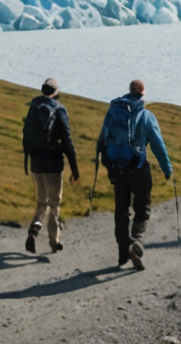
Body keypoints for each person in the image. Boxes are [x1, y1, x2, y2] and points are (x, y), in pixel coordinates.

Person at [95, 79, 172, 270]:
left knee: (121, 210)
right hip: (137, 167)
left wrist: (106, 163)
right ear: (143, 93)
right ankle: (136, 240)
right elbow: (157, 144)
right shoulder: (146, 115)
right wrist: (166, 167)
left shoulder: (113, 111)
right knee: (142, 203)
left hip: (117, 168)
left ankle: (123, 253)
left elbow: (103, 138)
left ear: (129, 91)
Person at [22, 78, 79, 255]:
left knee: (41, 201)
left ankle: (35, 228)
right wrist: (74, 167)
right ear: (55, 91)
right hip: (54, 163)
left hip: (36, 162)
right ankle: (54, 241)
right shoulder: (59, 109)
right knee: (54, 203)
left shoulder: (34, 106)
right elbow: (67, 141)